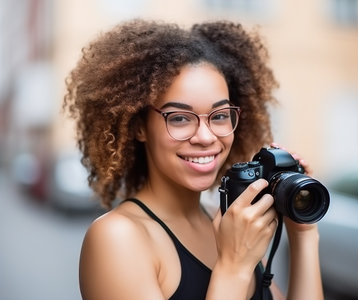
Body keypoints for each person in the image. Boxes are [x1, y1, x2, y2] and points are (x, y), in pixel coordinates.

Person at [63, 18, 324, 300]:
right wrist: (234, 267)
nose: (206, 136)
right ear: (138, 127)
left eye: (220, 116)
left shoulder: (225, 221)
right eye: (179, 118)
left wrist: (303, 233)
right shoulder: (116, 238)